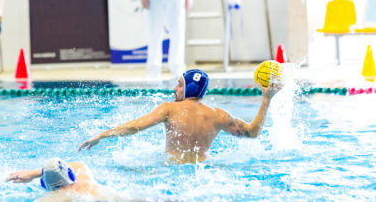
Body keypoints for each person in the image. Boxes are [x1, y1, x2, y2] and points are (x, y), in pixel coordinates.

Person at [78, 69, 282, 164]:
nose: (175, 89)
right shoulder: (218, 115)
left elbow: (134, 128)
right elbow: (253, 133)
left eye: (179, 84)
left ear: (189, 89)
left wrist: (101, 135)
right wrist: (267, 99)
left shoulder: (169, 109)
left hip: (171, 170)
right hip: (203, 172)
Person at [6, 158, 174, 202]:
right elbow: (73, 164)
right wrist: (35, 173)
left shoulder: (54, 197)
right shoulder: (82, 173)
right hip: (129, 198)